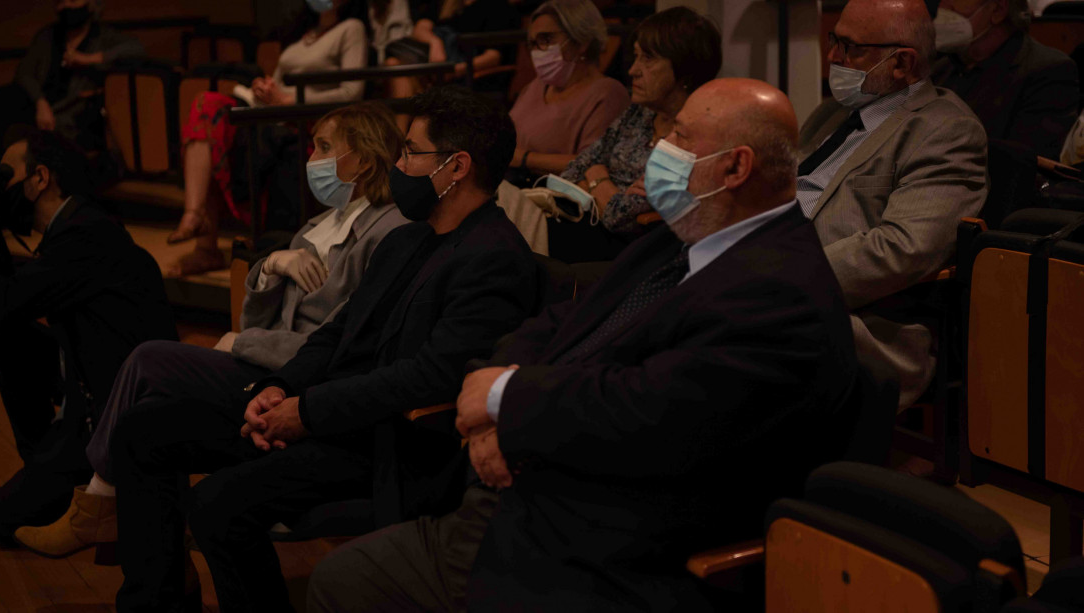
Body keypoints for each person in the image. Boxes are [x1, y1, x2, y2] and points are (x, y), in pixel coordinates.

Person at [305, 78, 861, 612]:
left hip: (610, 551)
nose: (659, 149)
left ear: (735, 167)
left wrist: (506, 402)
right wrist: (492, 404)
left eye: (680, 137)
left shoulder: (780, 294)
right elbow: (557, 324)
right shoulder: (684, 235)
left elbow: (648, 411)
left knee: (342, 582)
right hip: (533, 495)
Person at [109, 86, 540, 613]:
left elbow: (427, 378)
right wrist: (279, 387)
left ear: (457, 166)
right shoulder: (408, 238)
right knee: (145, 429)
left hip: (391, 444)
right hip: (332, 415)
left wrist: (307, 412)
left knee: (218, 504)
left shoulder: (495, 258)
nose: (398, 165)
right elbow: (338, 333)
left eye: (410, 151)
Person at [11, 102, 409, 559]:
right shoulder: (316, 226)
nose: (310, 160)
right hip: (267, 364)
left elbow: (338, 341)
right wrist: (270, 267)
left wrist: (244, 342)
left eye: (323, 147)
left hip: (301, 382)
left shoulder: (386, 231)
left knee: (149, 360)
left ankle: (98, 506)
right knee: (149, 413)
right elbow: (258, 320)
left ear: (363, 159)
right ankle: (148, 541)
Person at [799, 0, 988, 408]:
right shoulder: (830, 113)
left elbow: (903, 248)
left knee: (718, 341)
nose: (833, 57)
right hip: (772, 277)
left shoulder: (946, 130)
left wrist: (786, 275)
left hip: (864, 318)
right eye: (834, 40)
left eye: (851, 48)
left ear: (902, 63)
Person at [0, 129, 175, 545]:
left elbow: (3, 301)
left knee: (1, 518)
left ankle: (57, 478)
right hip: (86, 401)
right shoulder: (80, 226)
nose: (2, 190)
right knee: (8, 335)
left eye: (6, 176)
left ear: (40, 178)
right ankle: (42, 464)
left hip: (110, 428)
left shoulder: (86, 236)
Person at [166, 0, 370, 277]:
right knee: (207, 105)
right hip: (276, 114)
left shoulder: (351, 28)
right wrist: (264, 90)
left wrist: (288, 100)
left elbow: (351, 92)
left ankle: (203, 238)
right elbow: (278, 82)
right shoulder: (303, 32)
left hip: (312, 120)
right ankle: (195, 219)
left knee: (227, 130)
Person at [547, 6, 722, 262]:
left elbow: (620, 218)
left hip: (638, 254)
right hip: (587, 229)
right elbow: (576, 168)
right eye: (636, 56)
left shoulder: (694, 133)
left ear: (685, 67)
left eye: (648, 58)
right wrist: (606, 187)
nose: (633, 70)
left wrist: (596, 178)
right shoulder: (639, 114)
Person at [0, 0, 144, 161]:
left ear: (91, 4)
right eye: (61, 2)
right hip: (39, 109)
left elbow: (136, 49)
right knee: (3, 100)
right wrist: (40, 102)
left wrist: (89, 59)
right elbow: (24, 73)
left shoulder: (102, 36)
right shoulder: (47, 36)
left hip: (74, 118)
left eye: (73, 1)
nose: (66, 6)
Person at [930, 0, 1079, 158]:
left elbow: (1024, 160)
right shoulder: (939, 66)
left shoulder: (1048, 71)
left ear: (998, 10)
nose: (942, 6)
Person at [505, 0, 629, 182]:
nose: (537, 51)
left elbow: (593, 164)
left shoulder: (608, 93)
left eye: (546, 40)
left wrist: (525, 159)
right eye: (532, 43)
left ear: (581, 41)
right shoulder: (536, 86)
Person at [384, 0, 521, 98]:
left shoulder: (497, 7)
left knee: (410, 82)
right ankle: (404, 128)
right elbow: (420, 28)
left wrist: (454, 70)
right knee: (393, 63)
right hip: (434, 68)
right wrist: (435, 43)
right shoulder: (446, 5)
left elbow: (493, 57)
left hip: (467, 76)